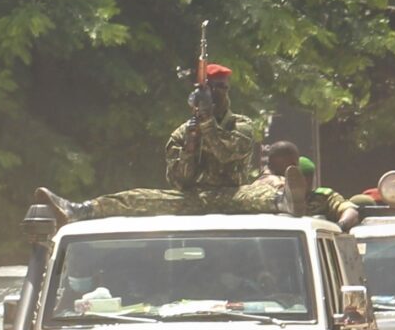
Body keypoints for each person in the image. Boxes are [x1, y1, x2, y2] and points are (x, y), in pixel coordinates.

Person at [37, 63, 267, 220]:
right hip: (193, 200)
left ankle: (285, 200)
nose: (217, 94)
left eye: (222, 88)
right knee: (135, 197)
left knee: (262, 193)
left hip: (233, 197)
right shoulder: (182, 133)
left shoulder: (241, 125)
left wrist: (208, 122)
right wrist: (191, 143)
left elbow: (227, 153)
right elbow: (181, 181)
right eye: (211, 89)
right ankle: (81, 210)